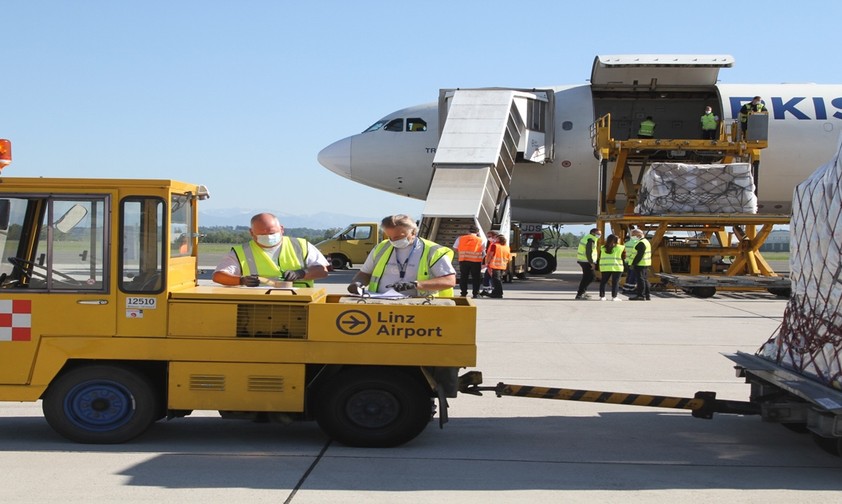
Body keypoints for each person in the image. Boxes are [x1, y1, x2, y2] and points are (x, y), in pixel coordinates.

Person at [347, 214, 456, 297]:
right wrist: (357, 283)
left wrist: (416, 285)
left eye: (399, 237)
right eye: (390, 237)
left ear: (413, 232)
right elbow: (364, 273)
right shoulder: (381, 248)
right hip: (381, 303)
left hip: (420, 305)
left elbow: (449, 281)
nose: (393, 241)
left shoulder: (433, 251)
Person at [213, 212, 329, 287]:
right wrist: (241, 280)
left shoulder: (300, 245)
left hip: (299, 300)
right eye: (262, 234)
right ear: (251, 233)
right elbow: (218, 276)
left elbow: (322, 271)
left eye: (272, 233)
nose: (268, 237)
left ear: (282, 229)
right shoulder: (241, 252)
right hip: (257, 302)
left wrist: (302, 273)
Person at [453, 224, 486, 298]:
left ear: (468, 231)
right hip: (476, 261)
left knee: (464, 277)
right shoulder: (480, 240)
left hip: (463, 260)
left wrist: (462, 252)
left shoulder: (460, 238)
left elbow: (455, 248)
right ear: (477, 232)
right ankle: (475, 293)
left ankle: (463, 293)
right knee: (476, 278)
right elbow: (483, 251)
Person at [575, 228, 601, 300]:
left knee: (587, 277)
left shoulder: (588, 238)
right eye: (598, 234)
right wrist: (591, 263)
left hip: (583, 260)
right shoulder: (590, 240)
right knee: (590, 277)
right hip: (586, 261)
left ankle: (582, 293)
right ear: (593, 233)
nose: (600, 235)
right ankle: (580, 293)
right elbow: (588, 252)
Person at [597, 234, 625, 301]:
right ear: (616, 240)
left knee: (603, 282)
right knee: (615, 282)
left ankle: (602, 296)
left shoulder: (602, 248)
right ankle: (614, 297)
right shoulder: (621, 247)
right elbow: (624, 257)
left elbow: (600, 256)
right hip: (617, 267)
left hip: (605, 267)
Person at [627, 228, 652, 301]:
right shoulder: (646, 241)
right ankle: (647, 295)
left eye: (633, 235)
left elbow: (639, 255)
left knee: (640, 279)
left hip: (640, 263)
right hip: (645, 263)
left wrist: (633, 264)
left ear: (638, 235)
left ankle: (640, 295)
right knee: (644, 279)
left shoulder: (641, 243)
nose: (632, 236)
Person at [486, 234, 511, 299]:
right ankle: (495, 292)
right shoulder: (506, 247)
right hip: (503, 265)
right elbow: (509, 257)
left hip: (495, 265)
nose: (494, 239)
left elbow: (491, 255)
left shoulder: (495, 246)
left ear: (498, 240)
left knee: (496, 280)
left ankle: (498, 293)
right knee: (498, 279)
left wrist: (487, 262)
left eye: (496, 238)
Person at [480, 230, 498, 294]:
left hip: (493, 264)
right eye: (488, 236)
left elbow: (491, 255)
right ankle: (487, 290)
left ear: (494, 236)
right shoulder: (491, 243)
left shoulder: (494, 244)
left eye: (490, 236)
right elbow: (487, 254)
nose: (488, 238)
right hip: (491, 263)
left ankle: (492, 291)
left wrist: (486, 263)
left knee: (491, 278)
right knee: (487, 277)